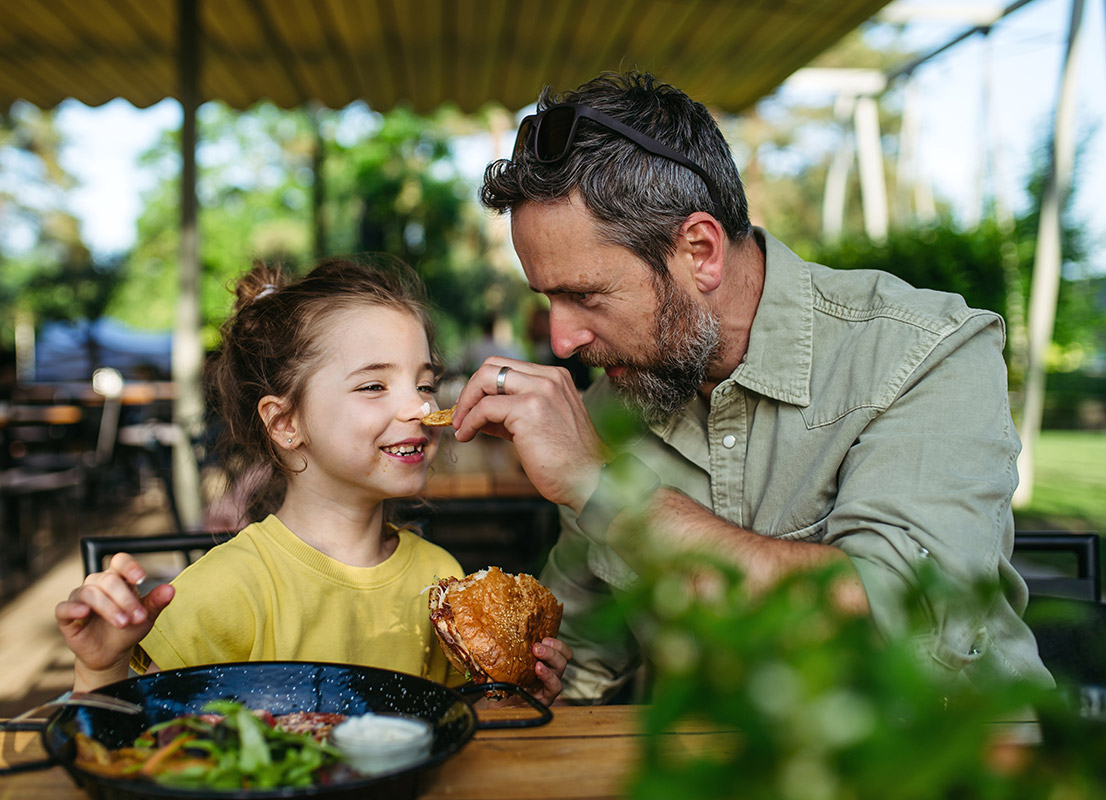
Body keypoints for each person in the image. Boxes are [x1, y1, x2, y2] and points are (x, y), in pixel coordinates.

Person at [449, 70, 1053, 703]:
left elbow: (902, 625)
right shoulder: (609, 410)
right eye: (549, 298)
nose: (563, 339)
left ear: (701, 250)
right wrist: (533, 676)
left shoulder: (923, 349)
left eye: (584, 295)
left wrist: (607, 489)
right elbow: (581, 661)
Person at [56, 256, 571, 702]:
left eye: (425, 383)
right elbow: (142, 735)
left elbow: (453, 721)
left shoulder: (441, 580)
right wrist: (100, 670)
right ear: (285, 423)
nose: (419, 407)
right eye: (373, 385)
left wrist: (510, 695)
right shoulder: (224, 591)